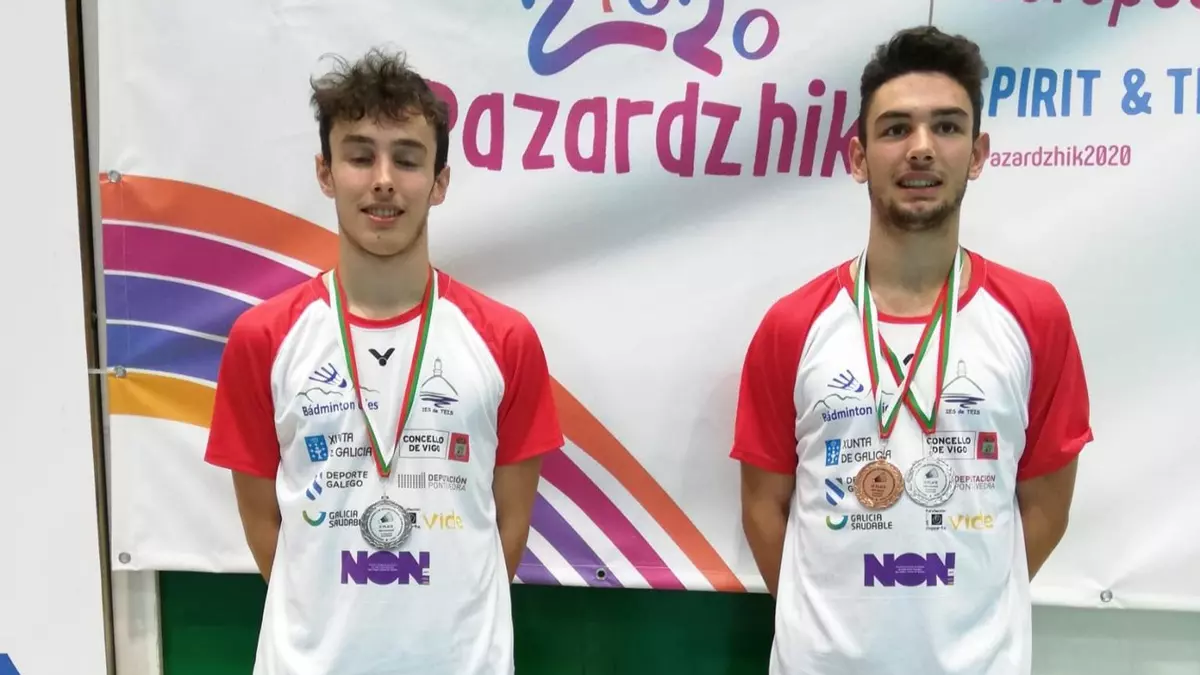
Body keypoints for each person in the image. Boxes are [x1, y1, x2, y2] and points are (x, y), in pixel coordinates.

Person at [731, 26, 1092, 675]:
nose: (921, 148)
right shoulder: (793, 325)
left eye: (946, 127)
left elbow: (1046, 509)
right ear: (858, 157)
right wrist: (832, 628)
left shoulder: (1035, 316)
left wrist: (964, 612)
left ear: (977, 153)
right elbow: (763, 508)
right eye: (896, 129)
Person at [203, 47, 564, 675]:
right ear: (325, 173)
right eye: (360, 155)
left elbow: (507, 529)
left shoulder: (506, 340)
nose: (383, 180)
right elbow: (265, 528)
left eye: (407, 158)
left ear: (440, 182)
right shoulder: (263, 338)